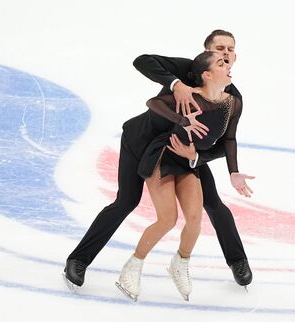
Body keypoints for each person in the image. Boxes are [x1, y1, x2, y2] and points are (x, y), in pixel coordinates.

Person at [63, 30, 253, 290]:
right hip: (143, 141)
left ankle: (237, 260)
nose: (225, 54)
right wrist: (177, 85)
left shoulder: (232, 98)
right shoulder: (189, 69)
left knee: (213, 204)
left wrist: (197, 157)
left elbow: (223, 141)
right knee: (126, 201)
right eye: (219, 49)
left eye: (230, 49)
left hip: (182, 151)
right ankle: (79, 260)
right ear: (206, 50)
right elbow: (142, 61)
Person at [116, 51, 244, 301]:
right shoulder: (189, 96)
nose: (228, 65)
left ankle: (180, 263)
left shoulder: (232, 103)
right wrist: (182, 120)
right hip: (163, 155)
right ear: (207, 75)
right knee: (167, 219)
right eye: (221, 63)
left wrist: (234, 171)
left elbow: (228, 138)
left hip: (188, 160)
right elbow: (153, 104)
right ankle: (132, 267)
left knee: (195, 220)